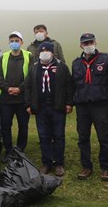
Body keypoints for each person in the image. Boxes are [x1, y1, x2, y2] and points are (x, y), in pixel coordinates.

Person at [71, 33, 108, 181]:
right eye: (85, 43)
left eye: (90, 42)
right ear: (81, 45)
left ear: (95, 42)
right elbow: (74, 85)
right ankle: (86, 166)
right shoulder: (76, 63)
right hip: (82, 106)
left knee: (103, 137)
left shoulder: (106, 59)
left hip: (100, 105)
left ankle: (105, 167)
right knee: (83, 137)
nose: (88, 45)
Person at [26, 42, 73, 177]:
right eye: (42, 50)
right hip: (40, 108)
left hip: (57, 107)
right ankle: (46, 162)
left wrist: (69, 103)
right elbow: (28, 86)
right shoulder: (34, 68)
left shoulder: (61, 67)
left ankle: (58, 163)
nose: (44, 52)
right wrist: (28, 104)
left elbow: (69, 85)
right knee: (44, 136)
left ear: (53, 52)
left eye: (47, 50)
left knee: (58, 136)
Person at [0, 32, 32, 158]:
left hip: (23, 99)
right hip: (6, 99)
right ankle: (9, 150)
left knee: (23, 125)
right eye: (11, 41)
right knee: (5, 126)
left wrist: (20, 89)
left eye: (16, 40)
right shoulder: (3, 57)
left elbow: (31, 75)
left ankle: (20, 150)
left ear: (21, 42)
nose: (14, 43)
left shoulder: (29, 56)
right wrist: (7, 88)